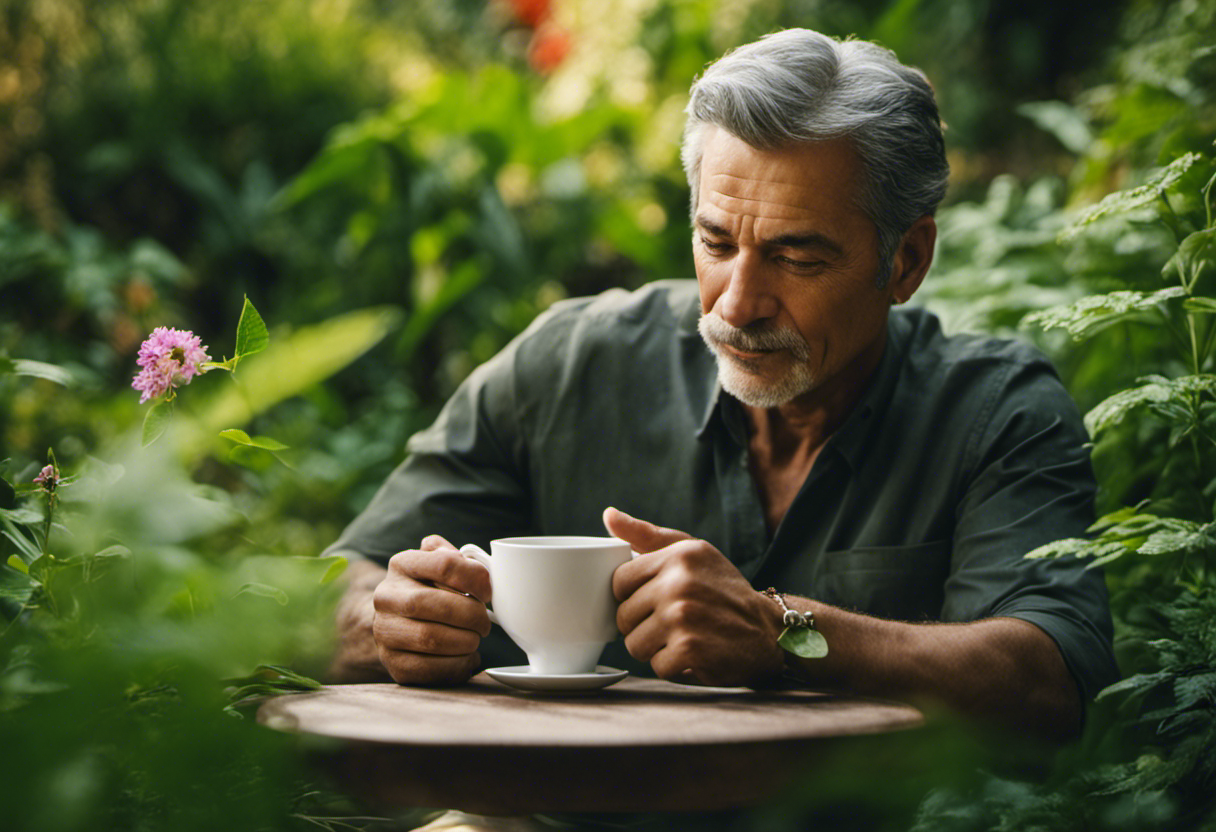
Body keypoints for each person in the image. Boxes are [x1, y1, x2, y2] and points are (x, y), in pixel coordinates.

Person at [324, 28, 1119, 753]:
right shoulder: (568, 365)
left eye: (796, 256)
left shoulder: (995, 411)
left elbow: (1050, 678)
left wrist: (787, 634)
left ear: (905, 261)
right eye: (715, 241)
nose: (737, 303)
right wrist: (390, 622)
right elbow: (332, 591)